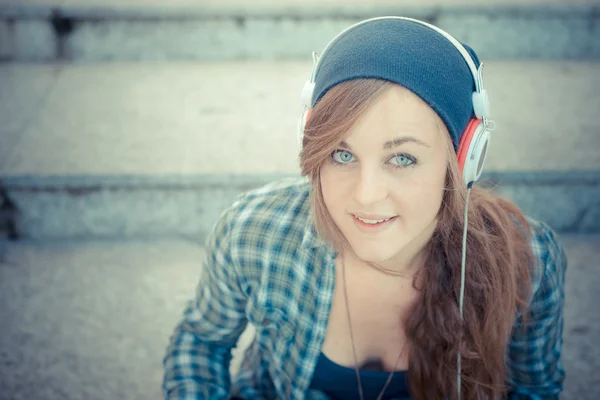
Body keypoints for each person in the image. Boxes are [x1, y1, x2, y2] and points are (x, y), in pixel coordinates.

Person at [162, 16, 567, 400]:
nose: (367, 195)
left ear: (463, 161)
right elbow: (202, 340)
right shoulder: (254, 231)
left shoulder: (528, 260)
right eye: (341, 154)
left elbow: (534, 389)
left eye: (403, 158)